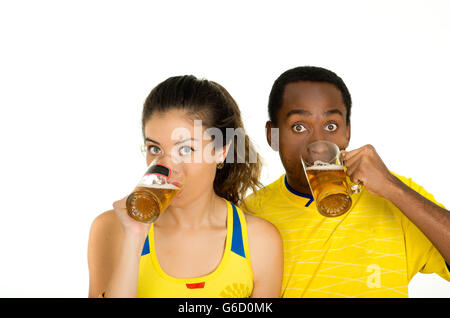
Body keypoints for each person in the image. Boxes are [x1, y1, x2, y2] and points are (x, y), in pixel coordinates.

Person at [243, 66, 450, 298]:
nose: (319, 143)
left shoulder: (397, 197)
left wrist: (393, 188)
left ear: (347, 133)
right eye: (299, 127)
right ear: (273, 136)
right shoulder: (247, 216)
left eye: (331, 126)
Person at [88, 75, 283, 298]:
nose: (167, 167)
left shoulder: (259, 240)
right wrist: (134, 237)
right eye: (155, 148)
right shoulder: (111, 228)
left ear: (221, 151)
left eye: (186, 150)